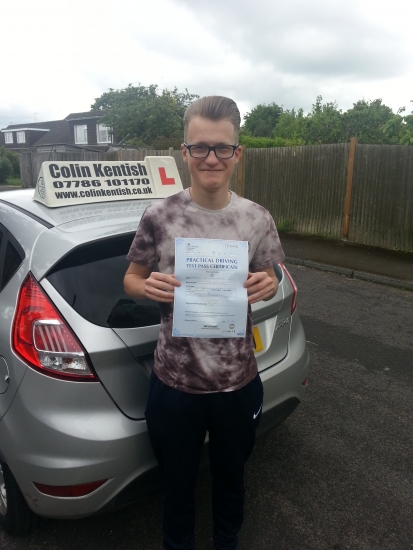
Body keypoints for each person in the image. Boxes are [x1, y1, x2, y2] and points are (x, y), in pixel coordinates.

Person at [124, 96, 285, 550]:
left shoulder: (257, 218)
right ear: (184, 151)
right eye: (200, 148)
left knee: (232, 480)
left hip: (238, 382)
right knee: (176, 486)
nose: (210, 158)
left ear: (238, 152)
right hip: (175, 385)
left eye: (221, 148)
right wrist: (145, 287)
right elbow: (132, 279)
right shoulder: (159, 216)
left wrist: (268, 284)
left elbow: (270, 275)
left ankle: (226, 542)